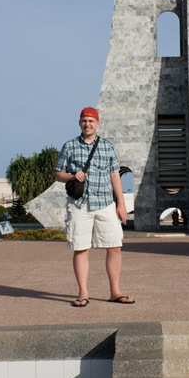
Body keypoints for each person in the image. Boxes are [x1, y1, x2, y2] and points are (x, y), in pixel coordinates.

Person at [55, 106, 135, 307]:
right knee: (81, 248)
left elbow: (115, 175)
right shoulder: (70, 146)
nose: (87, 124)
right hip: (79, 204)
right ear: (79, 123)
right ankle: (83, 293)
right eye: (84, 120)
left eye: (91, 121)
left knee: (115, 246)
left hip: (105, 203)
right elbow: (58, 174)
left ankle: (115, 292)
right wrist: (73, 176)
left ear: (98, 124)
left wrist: (121, 205)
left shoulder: (107, 146)